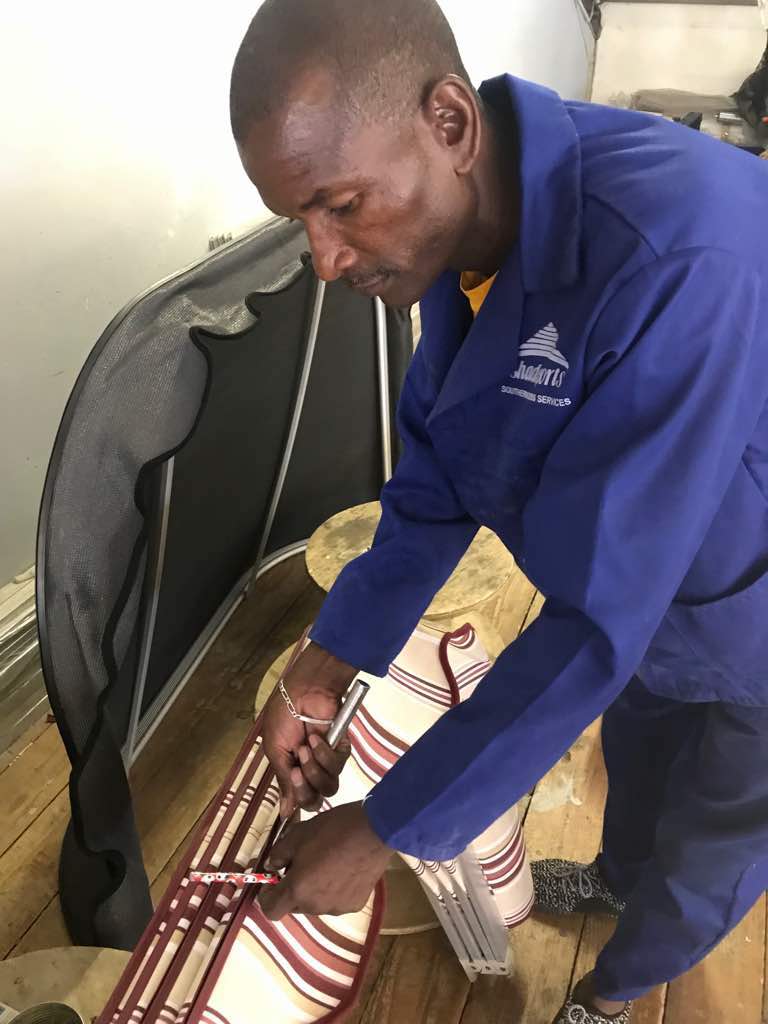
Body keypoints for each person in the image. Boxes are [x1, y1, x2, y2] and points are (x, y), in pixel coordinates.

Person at [229, 2, 768, 1021]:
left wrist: (385, 828)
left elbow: (598, 618)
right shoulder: (471, 231)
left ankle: (617, 992)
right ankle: (615, 879)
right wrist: (323, 665)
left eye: (339, 205)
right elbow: (444, 468)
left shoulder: (675, 257)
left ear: (448, 121)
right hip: (664, 587)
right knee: (641, 752)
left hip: (752, 608)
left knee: (722, 828)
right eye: (301, 220)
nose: (326, 259)